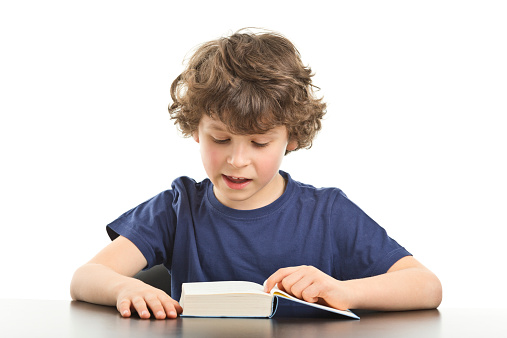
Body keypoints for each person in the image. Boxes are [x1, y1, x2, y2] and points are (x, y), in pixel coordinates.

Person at [70, 28, 442, 319]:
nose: (236, 160)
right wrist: (124, 289)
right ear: (196, 130)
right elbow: (86, 277)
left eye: (259, 143)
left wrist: (348, 292)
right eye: (221, 138)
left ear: (291, 138)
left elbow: (426, 286)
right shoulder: (177, 207)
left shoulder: (327, 212)